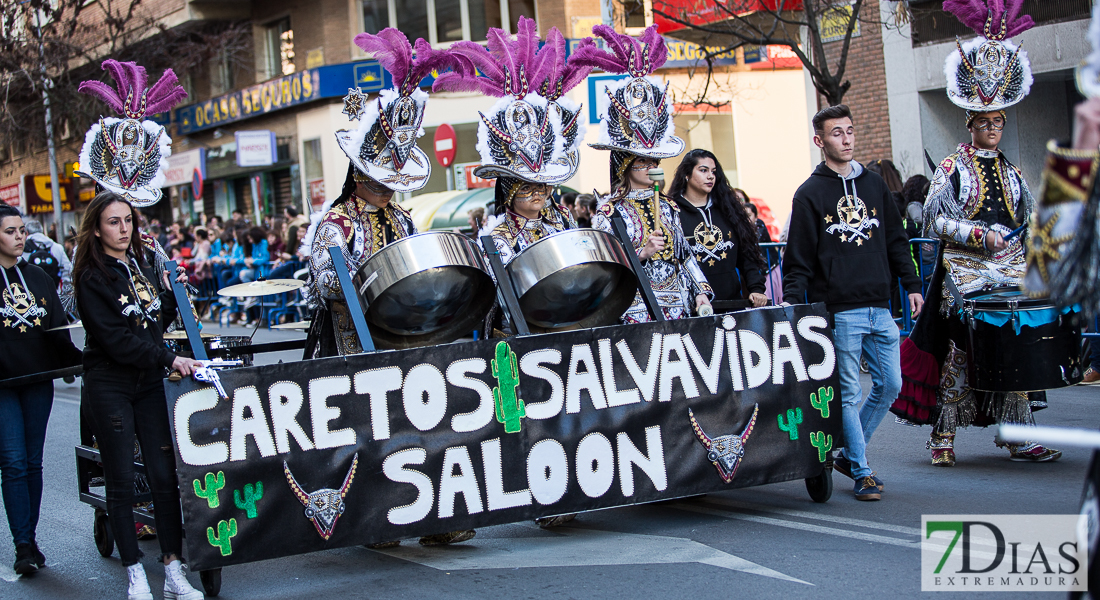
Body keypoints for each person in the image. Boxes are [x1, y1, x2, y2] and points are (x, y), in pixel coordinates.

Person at [303, 29, 473, 546]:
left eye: (392, 180)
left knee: (425, 428)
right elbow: (322, 279)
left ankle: (435, 517)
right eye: (379, 179)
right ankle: (381, 518)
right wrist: (354, 274)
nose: (389, 188)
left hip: (411, 336)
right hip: (359, 345)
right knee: (373, 436)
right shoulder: (337, 221)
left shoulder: (402, 216)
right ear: (358, 176)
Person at [894, 0, 1061, 466]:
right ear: (971, 124)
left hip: (1006, 271)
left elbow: (1024, 220)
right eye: (985, 123)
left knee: (1017, 348)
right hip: (963, 275)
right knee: (960, 353)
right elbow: (934, 220)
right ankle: (942, 436)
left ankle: (1018, 434)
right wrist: (977, 236)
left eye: (999, 123)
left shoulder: (1013, 171)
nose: (993, 129)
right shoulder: (953, 167)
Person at [72, 58, 205, 600]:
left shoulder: (144, 262)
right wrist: (169, 358)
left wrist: (175, 293)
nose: (123, 230)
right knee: (123, 483)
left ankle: (172, 569)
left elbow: (155, 323)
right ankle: (134, 571)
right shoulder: (90, 275)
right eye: (113, 222)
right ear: (97, 227)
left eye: (128, 221)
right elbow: (116, 338)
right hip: (110, 380)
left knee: (165, 473)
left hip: (148, 381)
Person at [782, 104, 923, 501]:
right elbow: (798, 260)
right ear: (820, 141)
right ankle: (862, 472)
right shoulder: (809, 194)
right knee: (848, 391)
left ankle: (845, 452)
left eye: (849, 131)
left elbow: (896, 240)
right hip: (841, 311)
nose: (845, 139)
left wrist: (912, 284)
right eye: (836, 133)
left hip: (881, 306)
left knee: (891, 384)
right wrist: (794, 306)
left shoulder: (875, 185)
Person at [574, 25, 714, 323]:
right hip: (634, 309)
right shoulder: (609, 211)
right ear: (625, 164)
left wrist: (701, 291)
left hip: (678, 306)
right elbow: (603, 267)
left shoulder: (668, 206)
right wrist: (642, 251)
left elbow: (684, 255)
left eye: (654, 160)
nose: (652, 166)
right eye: (644, 161)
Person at [0, 205, 82, 576]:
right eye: (11, 231)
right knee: (13, 463)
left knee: (33, 462)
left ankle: (30, 538)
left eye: (21, 230)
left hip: (37, 382)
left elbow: (57, 329)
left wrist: (79, 361)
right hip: (2, 387)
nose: (20, 237)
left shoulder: (38, 277)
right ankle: (21, 544)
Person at [668, 149, 767, 310]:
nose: (710, 176)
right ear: (687, 174)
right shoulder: (671, 211)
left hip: (732, 303)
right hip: (691, 308)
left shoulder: (729, 210)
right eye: (703, 170)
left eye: (713, 171)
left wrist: (756, 288)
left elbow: (747, 254)